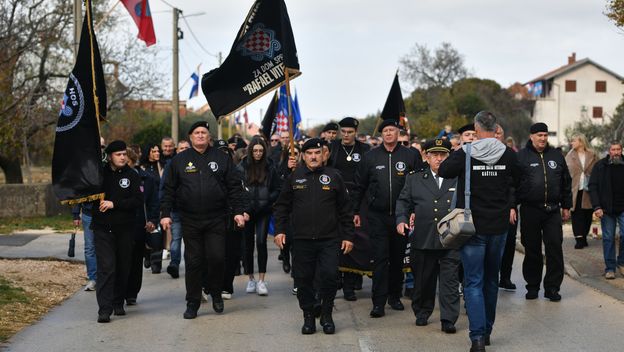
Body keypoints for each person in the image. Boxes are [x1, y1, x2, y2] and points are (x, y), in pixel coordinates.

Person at [437, 111, 521, 352]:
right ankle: (487, 331)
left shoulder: (467, 151)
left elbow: (443, 171)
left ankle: (477, 339)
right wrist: (508, 203)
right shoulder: (507, 153)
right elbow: (521, 180)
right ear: (495, 128)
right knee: (491, 281)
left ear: (475, 128)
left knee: (473, 282)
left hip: (471, 226)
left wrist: (463, 150)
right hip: (498, 226)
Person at [160, 121, 246, 319]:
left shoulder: (221, 158)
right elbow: (169, 190)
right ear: (190, 137)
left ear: (209, 137)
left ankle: (215, 293)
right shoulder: (179, 160)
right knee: (193, 261)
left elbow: (234, 186)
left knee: (217, 258)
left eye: (204, 133)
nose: (200, 135)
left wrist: (239, 211)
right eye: (196, 132)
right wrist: (165, 214)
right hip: (190, 219)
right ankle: (192, 302)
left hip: (216, 218)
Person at [273, 138, 355, 335]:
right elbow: (282, 206)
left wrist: (348, 236)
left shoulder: (334, 176)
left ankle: (326, 315)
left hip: (329, 239)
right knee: (303, 279)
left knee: (329, 276)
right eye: (309, 153)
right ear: (303, 156)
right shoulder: (294, 177)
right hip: (301, 240)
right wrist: (279, 230)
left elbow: (346, 209)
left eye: (317, 153)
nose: (313, 157)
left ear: (323, 155)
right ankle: (308, 316)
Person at [352, 119, 424, 318]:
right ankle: (378, 302)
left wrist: (416, 211)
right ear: (381, 134)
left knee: (397, 258)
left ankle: (395, 296)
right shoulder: (370, 157)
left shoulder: (411, 155)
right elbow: (360, 186)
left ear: (398, 132)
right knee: (381, 259)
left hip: (402, 217)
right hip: (377, 216)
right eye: (385, 131)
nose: (388, 134)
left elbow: (419, 185)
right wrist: (355, 211)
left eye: (392, 130)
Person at [396, 138, 460, 333]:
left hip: (451, 238)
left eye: (443, 155)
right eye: (435, 155)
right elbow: (403, 201)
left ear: (450, 157)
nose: (439, 159)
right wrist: (401, 219)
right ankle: (422, 311)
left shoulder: (457, 177)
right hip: (423, 237)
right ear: (426, 156)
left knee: (449, 281)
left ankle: (448, 319)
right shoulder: (414, 178)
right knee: (424, 280)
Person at [516, 122, 572, 302]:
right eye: (539, 135)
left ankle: (552, 288)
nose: (542, 138)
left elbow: (566, 181)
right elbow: (513, 184)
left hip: (553, 211)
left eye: (545, 135)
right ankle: (532, 286)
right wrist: (511, 206)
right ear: (531, 136)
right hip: (530, 210)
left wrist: (566, 206)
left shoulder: (556, 155)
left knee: (554, 248)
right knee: (532, 249)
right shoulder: (522, 157)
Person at [92, 140, 143, 323]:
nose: (122, 157)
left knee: (123, 266)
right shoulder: (99, 173)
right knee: (106, 268)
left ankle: (118, 301)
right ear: (110, 156)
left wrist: (115, 204)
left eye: (124, 154)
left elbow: (138, 200)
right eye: (118, 155)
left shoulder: (132, 175)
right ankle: (104, 309)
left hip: (125, 229)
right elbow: (87, 193)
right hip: (102, 229)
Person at [328, 117, 371, 301]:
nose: (346, 135)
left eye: (349, 132)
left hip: (357, 199)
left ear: (355, 132)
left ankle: (350, 285)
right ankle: (335, 278)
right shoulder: (332, 147)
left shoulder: (365, 149)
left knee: (354, 240)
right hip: (334, 199)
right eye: (343, 132)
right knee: (335, 239)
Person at [238, 136, 280, 296]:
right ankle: (251, 278)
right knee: (247, 245)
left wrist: (269, 199)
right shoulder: (242, 166)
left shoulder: (270, 166)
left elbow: (278, 187)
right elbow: (237, 188)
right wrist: (242, 209)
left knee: (261, 242)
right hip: (247, 212)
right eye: (255, 150)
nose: (257, 153)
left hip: (264, 211)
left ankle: (262, 280)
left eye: (260, 151)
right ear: (250, 151)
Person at [124, 147, 159, 306]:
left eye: (127, 161)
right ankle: (119, 291)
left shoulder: (147, 179)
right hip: (119, 226)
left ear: (132, 162)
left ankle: (131, 293)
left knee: (135, 262)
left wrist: (152, 220)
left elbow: (153, 202)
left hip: (139, 226)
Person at [588, 141, 624, 279]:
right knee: (608, 238)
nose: (616, 152)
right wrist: (597, 206)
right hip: (606, 209)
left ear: (621, 150)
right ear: (609, 151)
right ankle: (610, 268)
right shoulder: (600, 166)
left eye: (618, 149)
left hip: (623, 208)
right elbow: (593, 187)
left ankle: (621, 262)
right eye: (613, 149)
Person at [494, 124, 519, 292]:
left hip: (507, 207)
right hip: (487, 208)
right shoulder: (480, 153)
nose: (496, 136)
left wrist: (512, 206)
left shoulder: (510, 155)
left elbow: (515, 184)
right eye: (493, 133)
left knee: (509, 243)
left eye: (499, 134)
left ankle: (505, 277)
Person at [565, 133, 598, 249]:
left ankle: (583, 236)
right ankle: (579, 239)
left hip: (589, 189)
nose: (571, 143)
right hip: (575, 189)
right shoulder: (569, 155)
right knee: (576, 215)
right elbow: (566, 173)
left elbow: (597, 170)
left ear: (581, 142)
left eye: (574, 141)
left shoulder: (592, 155)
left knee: (587, 214)